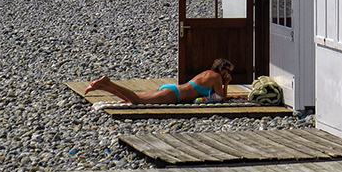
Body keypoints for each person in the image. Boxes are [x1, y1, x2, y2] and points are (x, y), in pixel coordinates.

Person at [85, 59, 234, 105]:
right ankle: (108, 83)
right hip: (175, 95)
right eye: (228, 71)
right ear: (222, 70)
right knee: (137, 100)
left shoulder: (207, 73)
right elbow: (221, 99)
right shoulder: (216, 77)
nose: (229, 74)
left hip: (173, 89)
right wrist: (226, 84)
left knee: (131, 99)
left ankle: (103, 86)